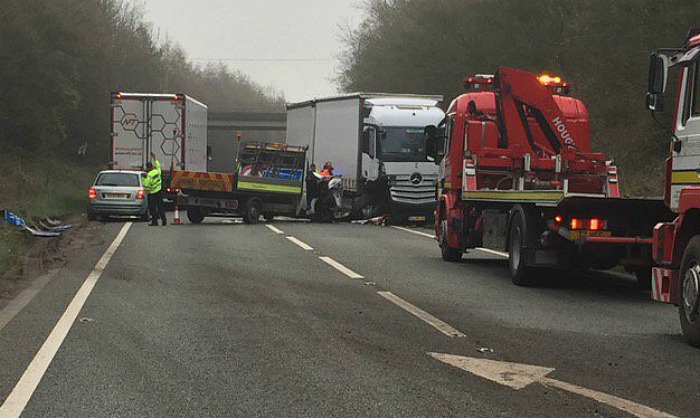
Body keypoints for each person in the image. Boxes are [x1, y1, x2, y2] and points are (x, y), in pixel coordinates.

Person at [143, 152, 167, 226]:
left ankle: (155, 222)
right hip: (159, 192)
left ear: (147, 168)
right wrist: (155, 158)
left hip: (152, 193)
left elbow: (146, 186)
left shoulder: (149, 175)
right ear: (152, 166)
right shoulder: (157, 171)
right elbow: (158, 165)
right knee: (160, 207)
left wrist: (143, 179)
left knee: (152, 208)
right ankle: (164, 221)